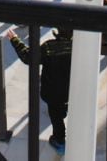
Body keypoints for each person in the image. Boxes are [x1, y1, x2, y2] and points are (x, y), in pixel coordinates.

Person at [6, 26, 72, 155]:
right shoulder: (78, 47)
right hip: (72, 89)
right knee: (62, 108)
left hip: (53, 91)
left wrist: (15, 39)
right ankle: (64, 111)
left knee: (56, 116)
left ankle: (59, 140)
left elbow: (28, 57)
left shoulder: (49, 47)